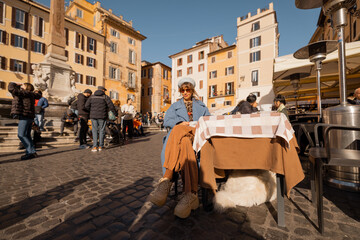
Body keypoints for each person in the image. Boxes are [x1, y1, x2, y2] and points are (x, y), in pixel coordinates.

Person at [149, 77, 210, 219]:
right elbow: (167, 121)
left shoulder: (202, 106)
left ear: (192, 90)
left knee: (177, 131)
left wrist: (193, 125)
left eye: (188, 89)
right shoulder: (175, 106)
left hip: (196, 134)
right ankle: (191, 193)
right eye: (182, 90)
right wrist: (180, 122)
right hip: (183, 139)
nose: (185, 92)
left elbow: (209, 121)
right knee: (183, 141)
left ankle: (166, 179)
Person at [8, 82, 40, 160]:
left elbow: (11, 89)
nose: (21, 86)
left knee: (21, 134)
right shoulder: (28, 94)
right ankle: (31, 152)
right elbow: (16, 94)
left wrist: (13, 83)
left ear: (27, 87)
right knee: (27, 135)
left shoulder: (26, 93)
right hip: (29, 117)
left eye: (23, 85)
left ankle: (31, 152)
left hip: (25, 116)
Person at [85, 86, 116, 152]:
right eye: (104, 90)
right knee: (102, 130)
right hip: (102, 116)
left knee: (94, 130)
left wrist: (91, 111)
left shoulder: (92, 97)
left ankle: (95, 146)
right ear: (102, 90)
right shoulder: (105, 97)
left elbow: (86, 106)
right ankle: (101, 146)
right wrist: (115, 114)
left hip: (93, 116)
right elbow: (111, 106)